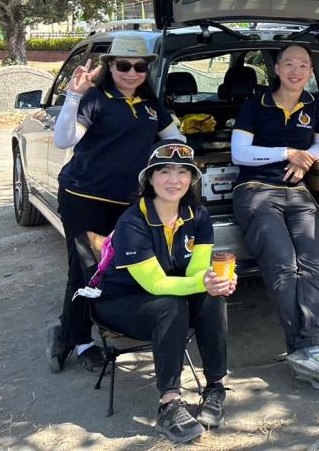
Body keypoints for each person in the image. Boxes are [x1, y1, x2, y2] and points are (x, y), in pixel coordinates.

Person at [49, 34, 184, 374]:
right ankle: (82, 342)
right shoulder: (96, 99)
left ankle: (70, 334)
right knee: (85, 269)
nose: (132, 73)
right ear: (110, 66)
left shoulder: (150, 104)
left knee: (120, 267)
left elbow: (175, 138)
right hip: (84, 198)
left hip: (127, 202)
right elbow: (64, 139)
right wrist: (73, 96)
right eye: (123, 65)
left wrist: (169, 159)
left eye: (140, 67)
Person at [93, 142, 234, 443]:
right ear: (149, 178)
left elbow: (196, 272)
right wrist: (203, 283)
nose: (174, 180)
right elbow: (154, 284)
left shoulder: (198, 215)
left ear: (192, 178)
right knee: (171, 306)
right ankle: (169, 404)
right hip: (120, 302)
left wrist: (213, 281)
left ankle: (215, 387)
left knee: (212, 297)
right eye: (164, 171)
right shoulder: (133, 221)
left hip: (168, 296)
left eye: (183, 172)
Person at [229, 42, 319, 390]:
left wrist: (306, 159)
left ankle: (315, 350)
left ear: (310, 71)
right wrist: (288, 152)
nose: (296, 71)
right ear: (277, 69)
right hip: (255, 190)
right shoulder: (256, 104)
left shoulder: (316, 104)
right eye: (290, 64)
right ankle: (307, 351)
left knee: (312, 263)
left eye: (303, 65)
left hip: (298, 192)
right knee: (283, 263)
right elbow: (240, 153)